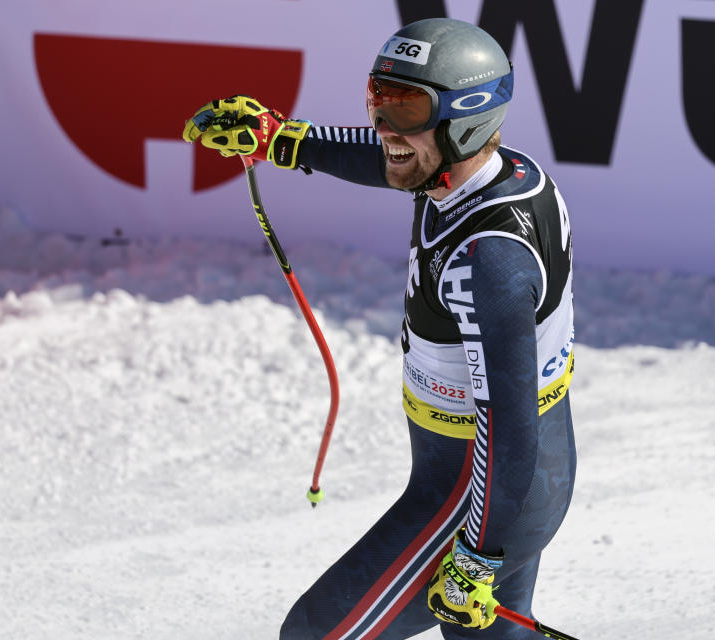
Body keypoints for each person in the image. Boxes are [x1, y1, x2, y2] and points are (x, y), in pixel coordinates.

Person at [183, 17, 576, 639]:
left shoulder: (488, 260)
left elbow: (509, 430)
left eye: (408, 108)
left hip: (482, 490)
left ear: (466, 116)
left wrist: (477, 557)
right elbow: (392, 159)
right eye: (378, 101)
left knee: (315, 633)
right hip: (506, 483)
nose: (385, 129)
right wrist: (284, 141)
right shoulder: (484, 173)